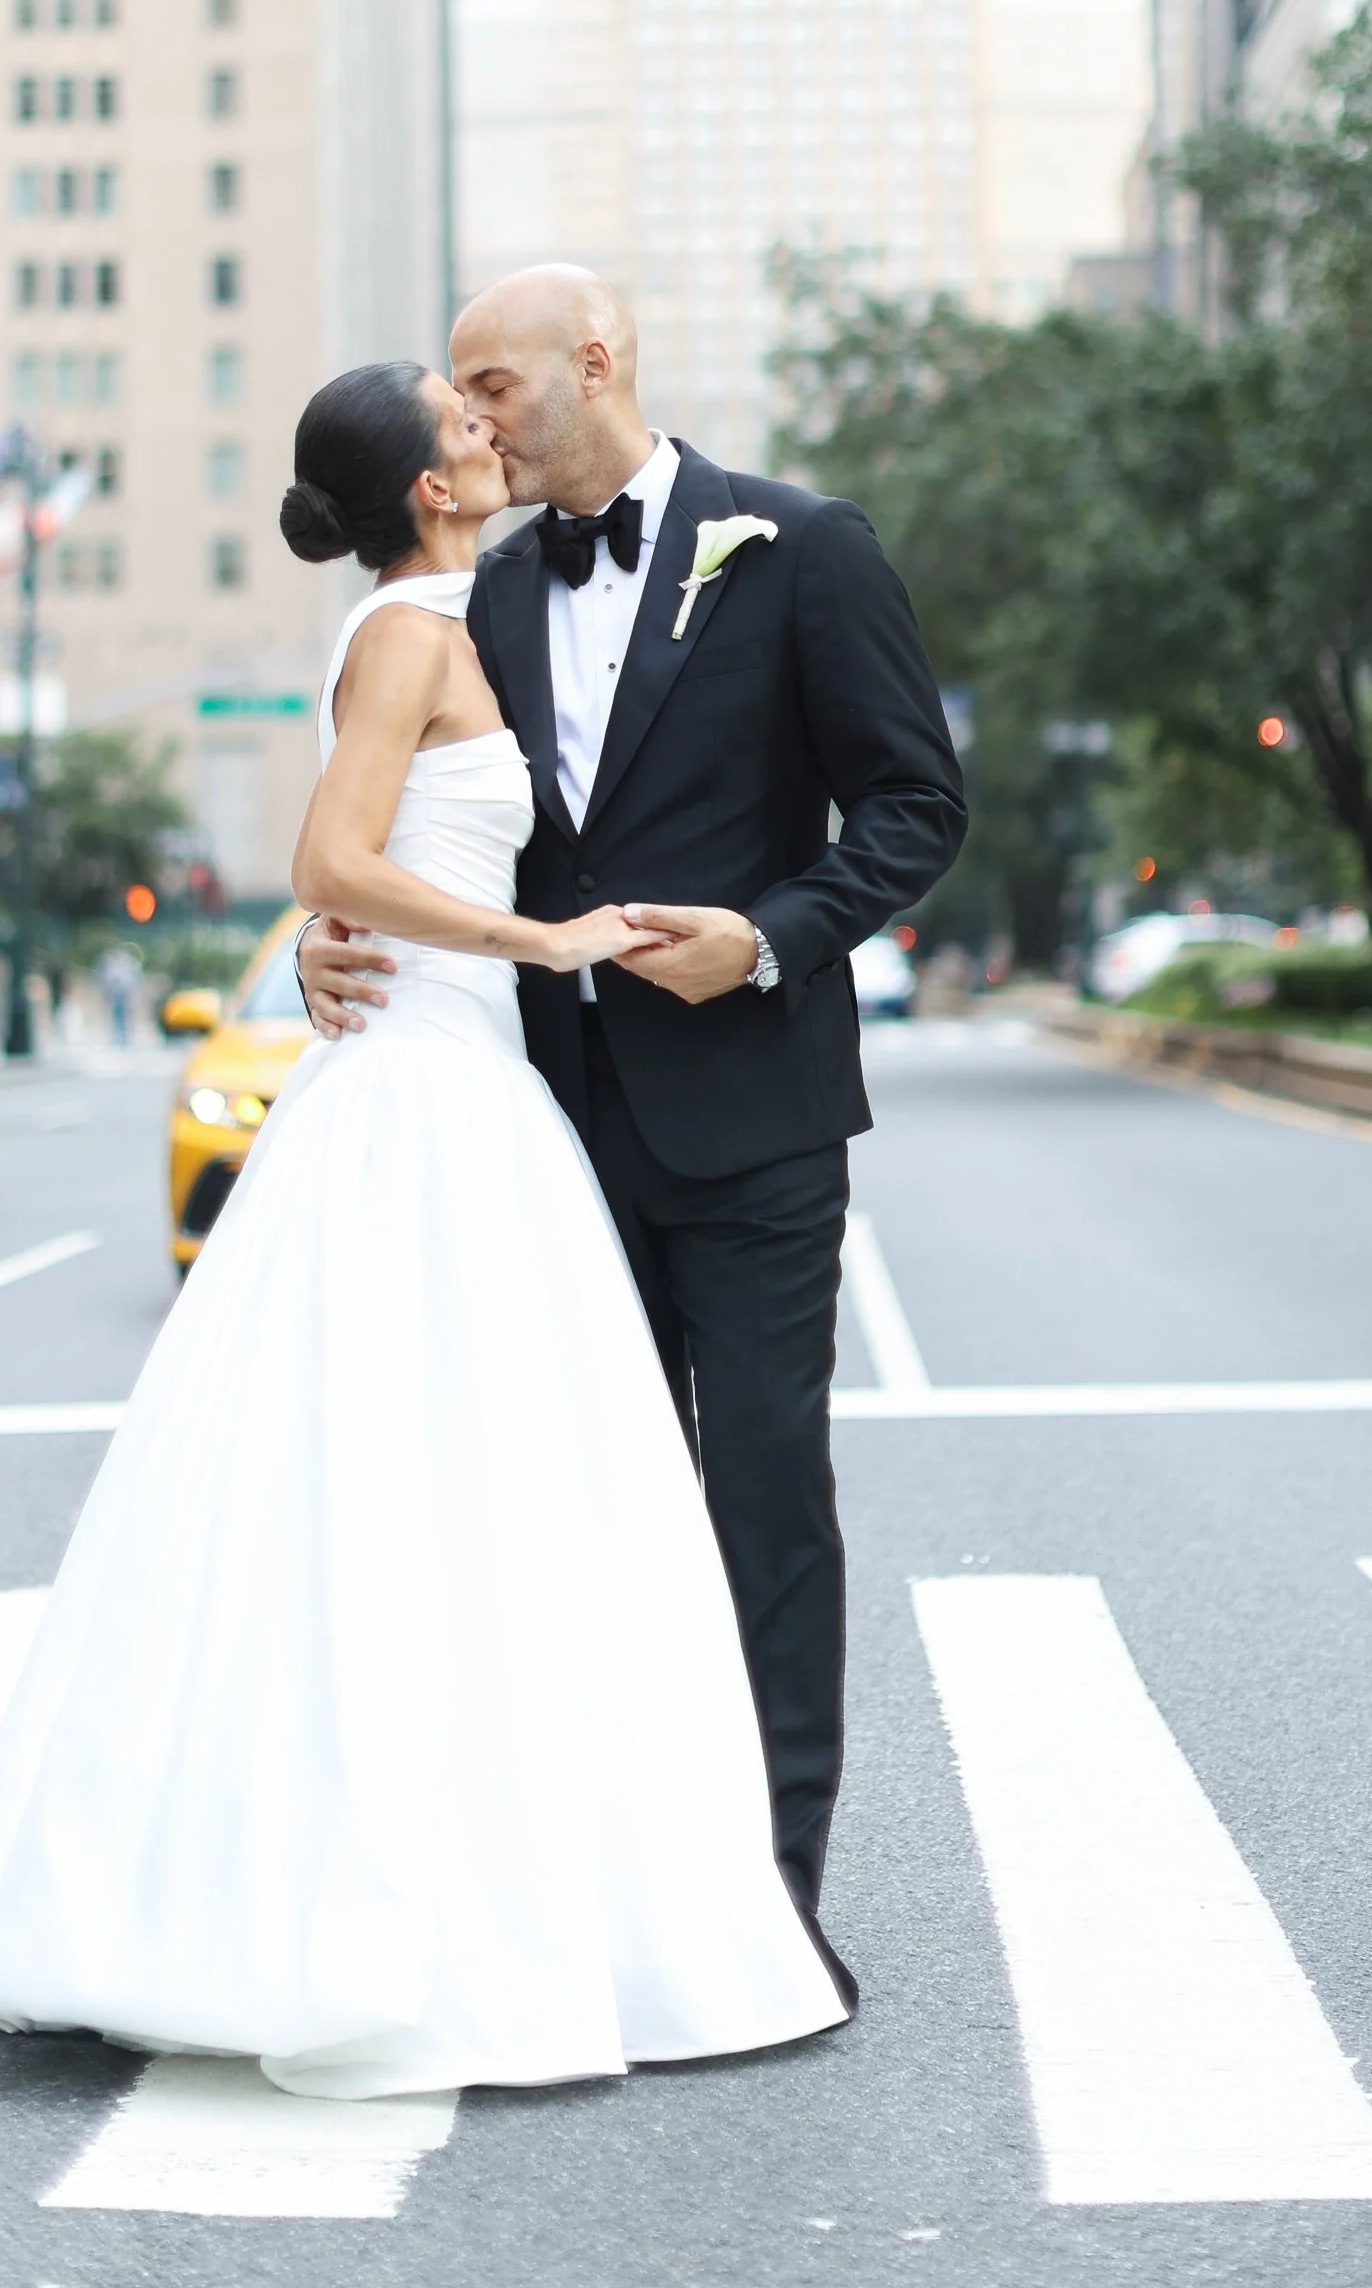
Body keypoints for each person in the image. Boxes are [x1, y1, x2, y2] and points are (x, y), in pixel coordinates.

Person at [0, 360, 847, 2099]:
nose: (486, 423)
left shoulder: (459, 614)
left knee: (454, 1496)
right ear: (425, 481)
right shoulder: (411, 630)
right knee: (425, 1486)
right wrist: (535, 947)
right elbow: (337, 860)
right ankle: (380, 1902)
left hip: (466, 1082)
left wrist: (456, 936)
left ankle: (493, 1870)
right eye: (457, 412)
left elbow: (389, 852)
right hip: (426, 1096)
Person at [300, 270, 966, 1999]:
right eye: (459, 392)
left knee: (759, 1500)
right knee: (585, 1510)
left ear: (595, 366)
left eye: (493, 382)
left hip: (752, 1123)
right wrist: (331, 926)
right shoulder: (476, 592)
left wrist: (774, 939)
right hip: (542, 1130)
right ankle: (603, 1874)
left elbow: (915, 804)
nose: (476, 415)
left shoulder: (803, 547)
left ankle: (769, 1897)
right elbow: (429, 834)